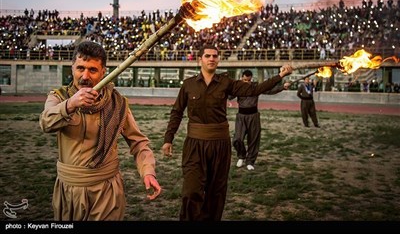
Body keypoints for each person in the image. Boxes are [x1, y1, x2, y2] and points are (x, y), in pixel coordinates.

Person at [162, 45, 293, 221]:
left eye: (215, 56)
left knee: (216, 192)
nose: (211, 59)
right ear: (200, 59)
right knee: (191, 190)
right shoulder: (189, 84)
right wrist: (168, 139)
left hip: (219, 145)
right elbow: (177, 112)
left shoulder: (226, 83)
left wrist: (280, 76)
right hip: (194, 145)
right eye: (207, 55)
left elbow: (254, 90)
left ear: (218, 60)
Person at [39, 41, 161, 221]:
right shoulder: (59, 97)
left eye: (92, 70)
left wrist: (148, 171)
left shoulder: (117, 103)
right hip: (68, 192)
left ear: (104, 72)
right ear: (72, 68)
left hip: (106, 191)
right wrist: (71, 104)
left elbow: (138, 142)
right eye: (80, 68)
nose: (85, 76)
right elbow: (45, 122)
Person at [229, 70, 291, 171]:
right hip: (241, 116)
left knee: (253, 139)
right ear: (241, 78)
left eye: (248, 80)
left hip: (253, 116)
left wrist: (282, 87)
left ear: (251, 79)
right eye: (244, 80)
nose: (246, 82)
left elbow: (269, 90)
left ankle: (250, 161)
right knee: (237, 139)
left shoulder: (255, 87)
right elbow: (229, 96)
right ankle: (241, 156)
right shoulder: (238, 86)